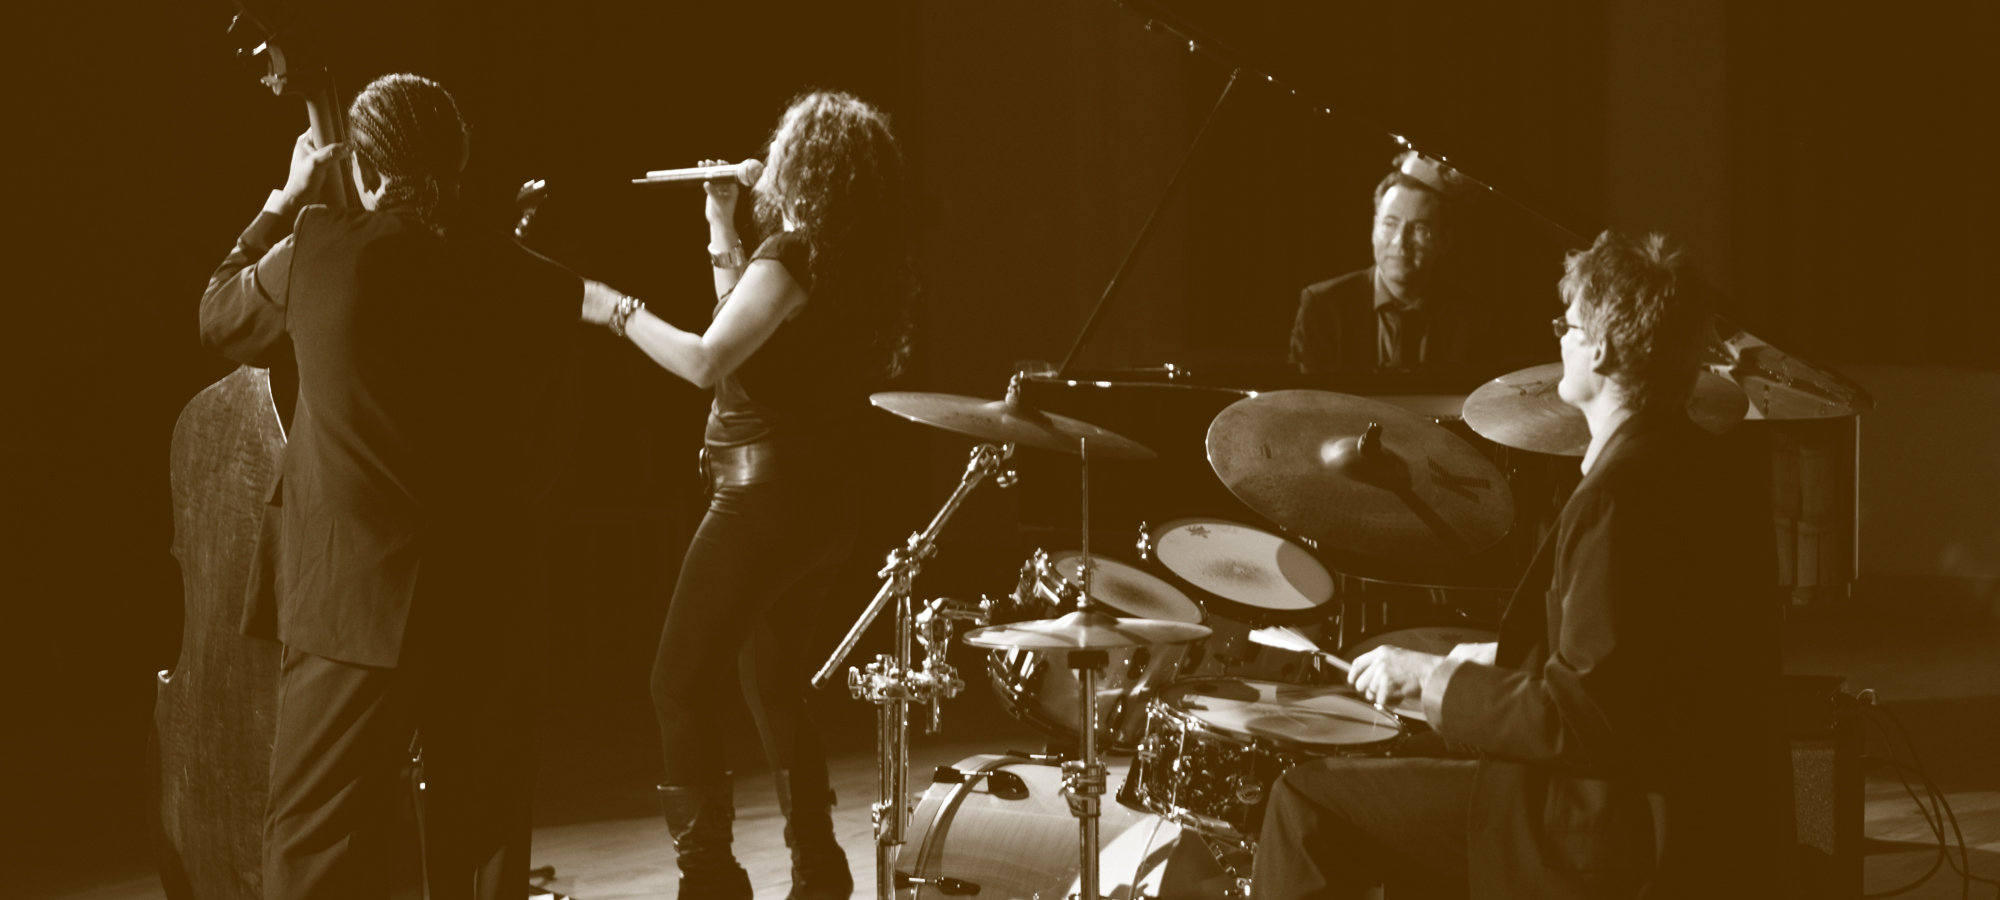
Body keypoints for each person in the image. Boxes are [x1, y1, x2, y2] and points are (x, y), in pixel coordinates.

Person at [1254, 232, 1790, 899]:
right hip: (1705, 822)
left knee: (1307, 800)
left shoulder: (1620, 497)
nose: (1559, 340)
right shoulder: (1708, 470)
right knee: (1411, 772)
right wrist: (1491, 657)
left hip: (1607, 835)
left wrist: (1432, 679)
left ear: (1601, 349)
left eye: (1568, 326)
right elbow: (1645, 663)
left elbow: (1585, 717)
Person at [200, 74, 584, 900]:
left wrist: (284, 198)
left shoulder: (316, 249)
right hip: (495, 598)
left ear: (365, 169)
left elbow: (219, 313)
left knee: (314, 842)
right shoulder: (545, 284)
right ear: (461, 160)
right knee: (482, 848)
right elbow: (551, 456)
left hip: (354, 607)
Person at [576, 90, 916, 900]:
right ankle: (820, 871)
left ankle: (711, 881)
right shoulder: (838, 261)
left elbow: (705, 361)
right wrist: (720, 225)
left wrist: (613, 309)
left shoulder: (792, 255)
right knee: (774, 688)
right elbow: (742, 333)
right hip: (819, 502)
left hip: (762, 500)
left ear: (804, 163)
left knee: (677, 684)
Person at [1289, 170, 1473, 377]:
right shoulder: (1321, 307)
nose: (1400, 242)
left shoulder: (1473, 318)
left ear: (1445, 240)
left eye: (1419, 229)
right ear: (1374, 229)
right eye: (1390, 224)